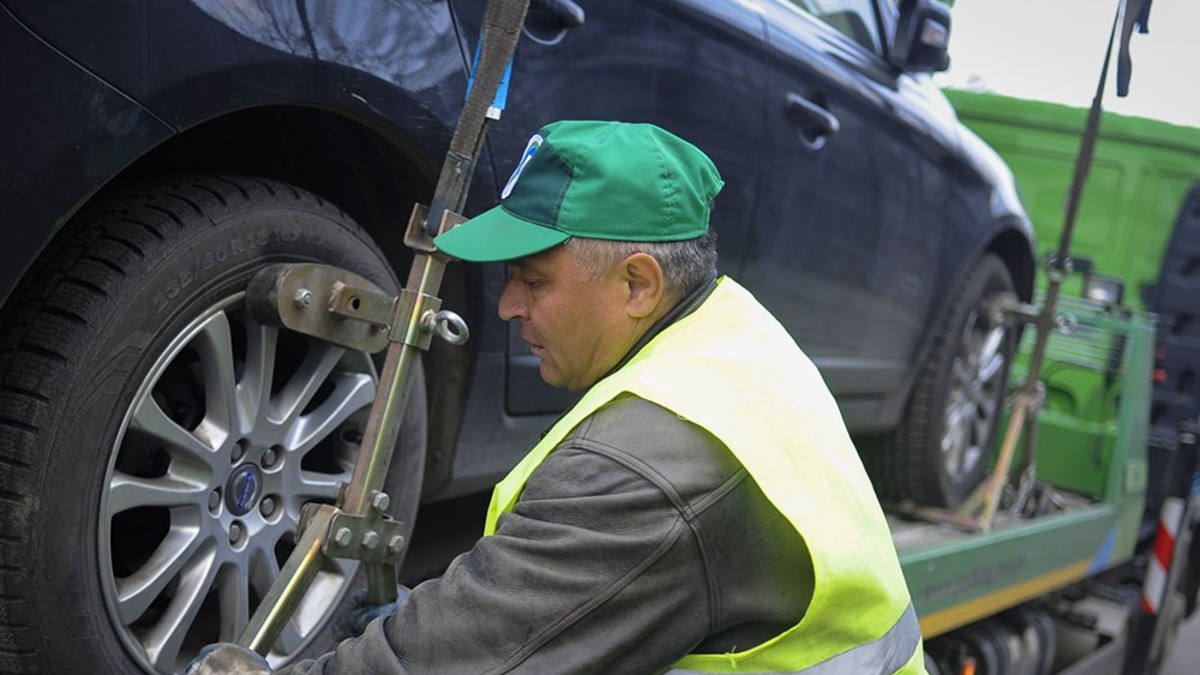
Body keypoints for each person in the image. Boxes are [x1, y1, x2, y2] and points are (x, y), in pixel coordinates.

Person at [190, 120, 924, 674]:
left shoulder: (649, 468)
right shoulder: (728, 330)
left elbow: (466, 658)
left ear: (638, 283)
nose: (506, 306)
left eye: (533, 279)